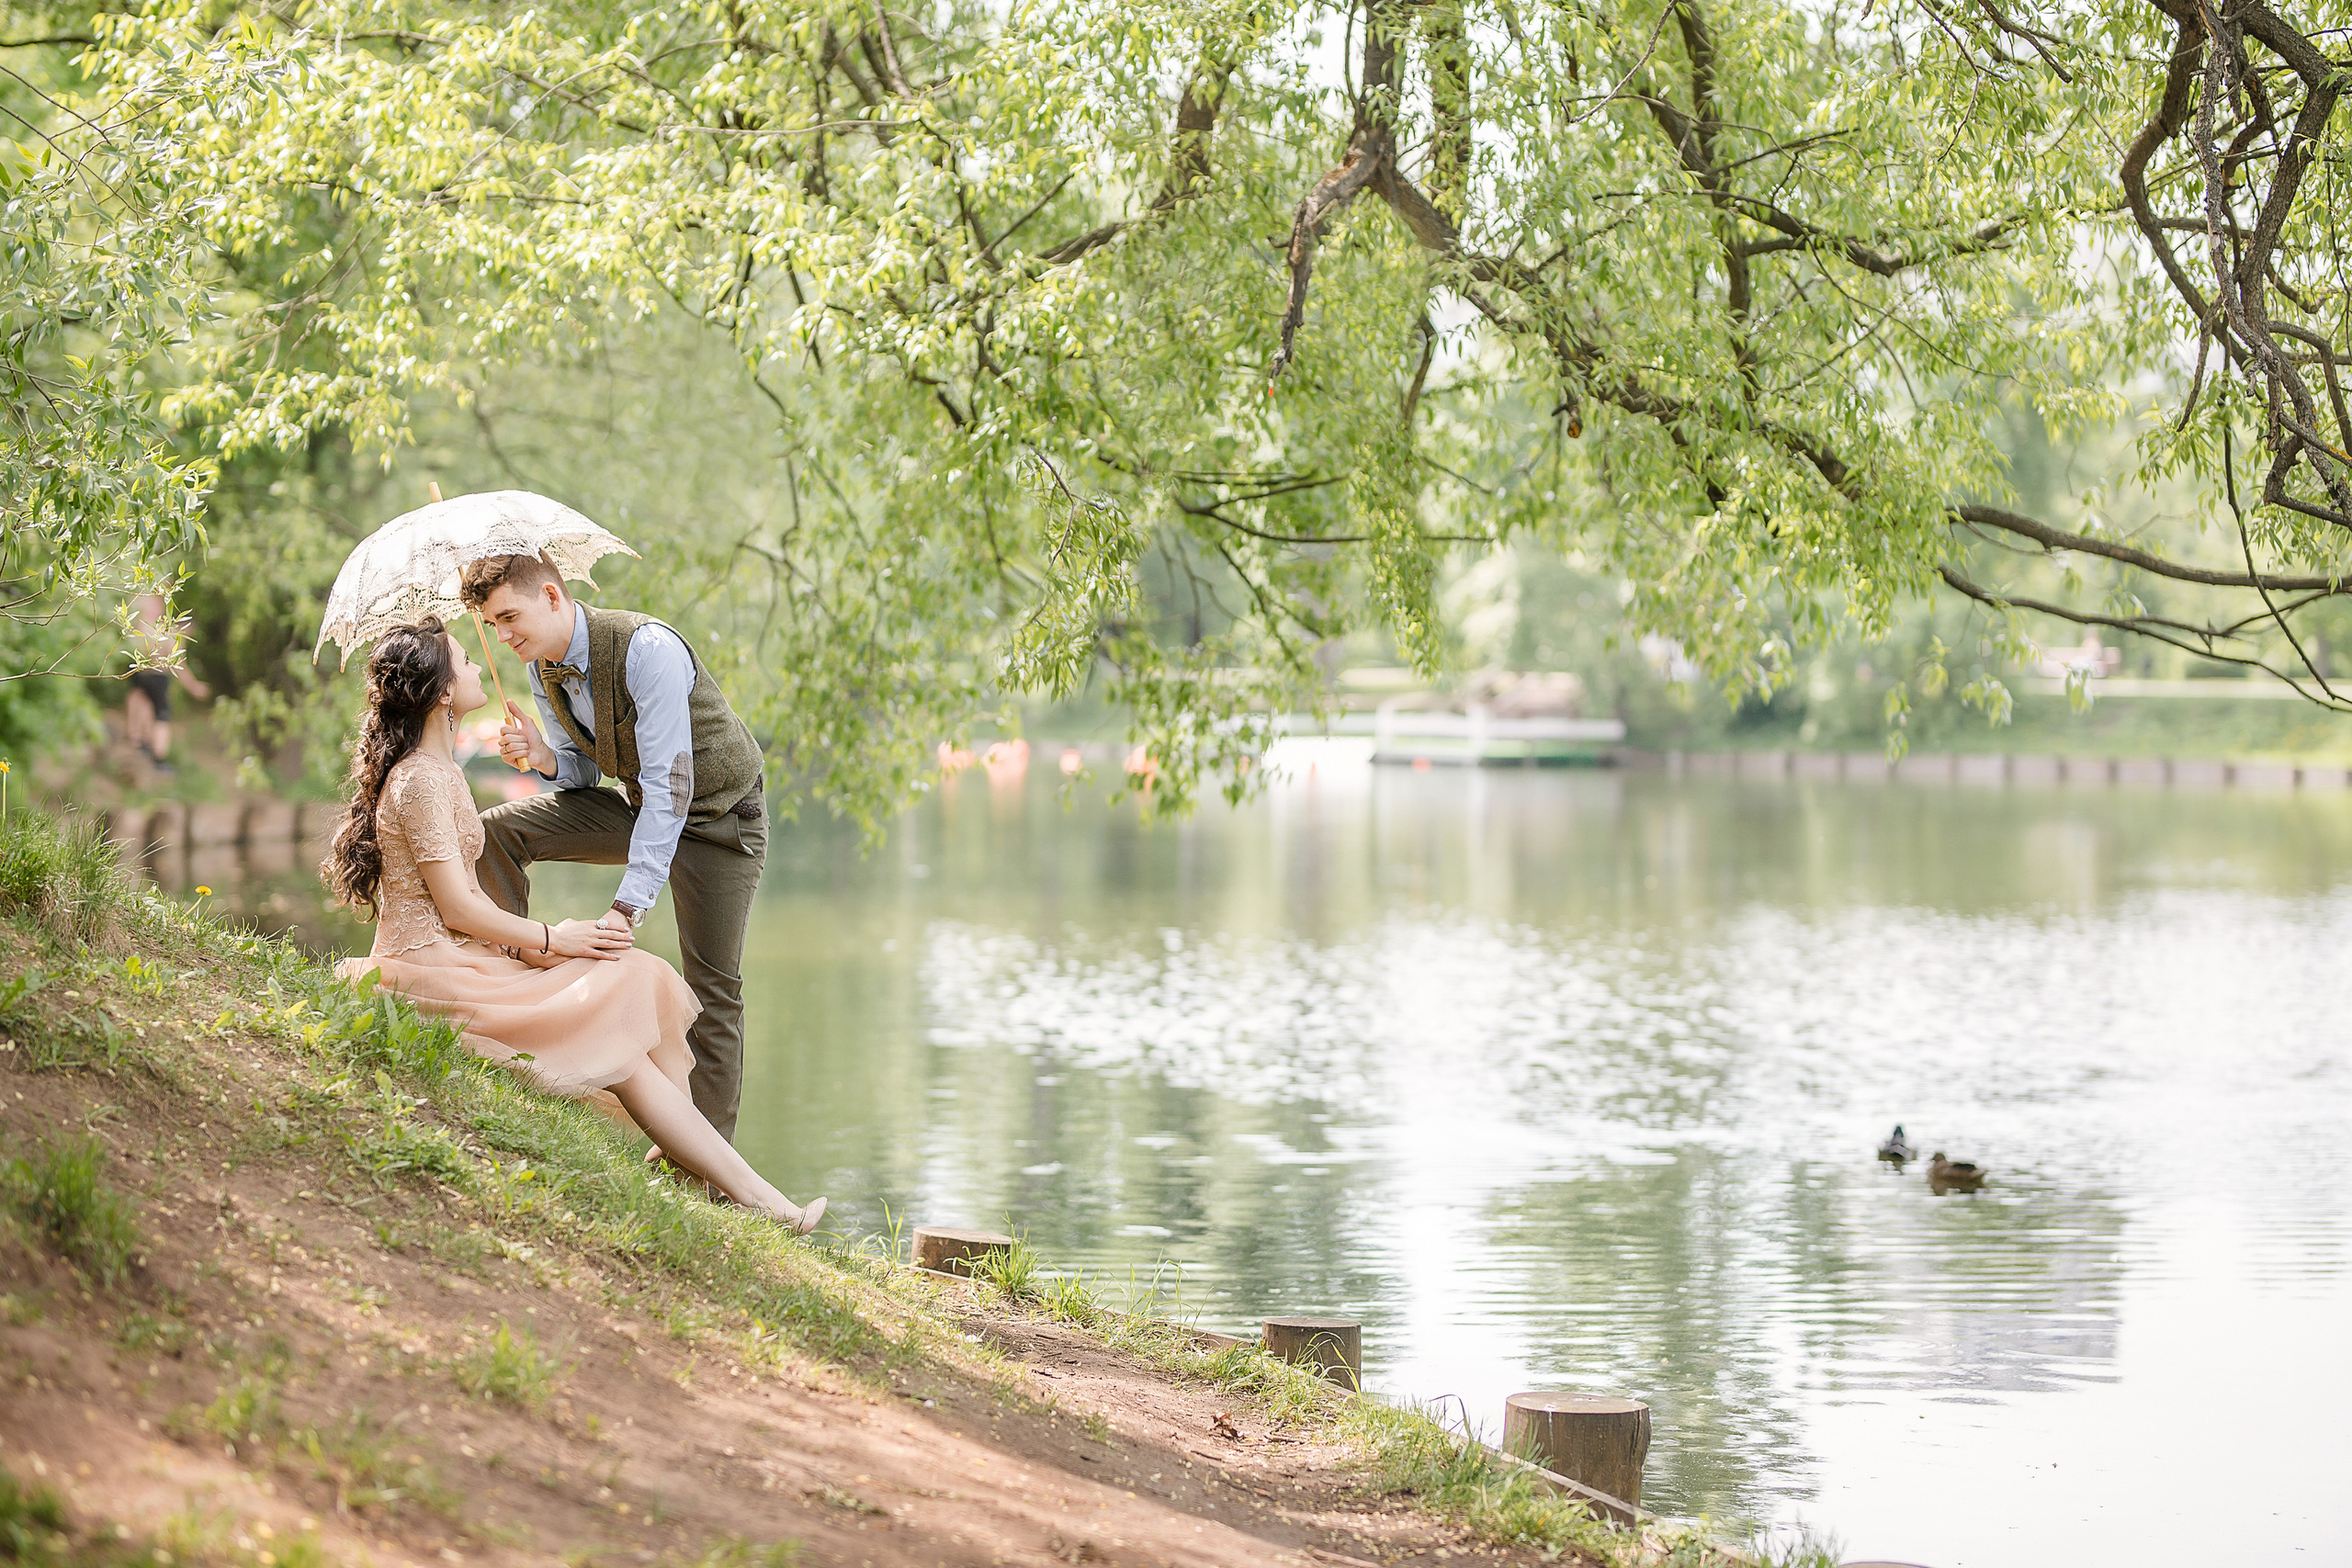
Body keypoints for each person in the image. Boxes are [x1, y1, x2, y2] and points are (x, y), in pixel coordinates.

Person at [322, 619, 824, 1233]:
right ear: (444, 692)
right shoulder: (421, 780)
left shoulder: (440, 771)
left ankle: (740, 1194)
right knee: (621, 1018)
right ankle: (757, 1201)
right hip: (430, 970)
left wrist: (544, 759)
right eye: (465, 657)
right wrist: (553, 940)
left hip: (463, 957)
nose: (481, 662)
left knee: (637, 982)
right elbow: (456, 908)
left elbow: (475, 892)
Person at [458, 553, 767, 1144]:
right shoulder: (541, 665)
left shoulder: (649, 651)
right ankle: (506, 1003)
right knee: (498, 829)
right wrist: (543, 755)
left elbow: (672, 790)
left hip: (719, 821)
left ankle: (707, 1164)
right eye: (492, 624)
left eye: (508, 617)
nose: (501, 635)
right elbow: (581, 776)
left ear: (552, 596)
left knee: (714, 991)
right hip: (642, 809)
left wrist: (626, 909)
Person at [125, 592, 212, 773]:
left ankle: (140, 743)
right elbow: (179, 666)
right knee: (161, 716)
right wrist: (194, 687)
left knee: (142, 703)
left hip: (141, 673)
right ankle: (159, 757)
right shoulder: (172, 635)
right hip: (158, 676)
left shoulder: (149, 628)